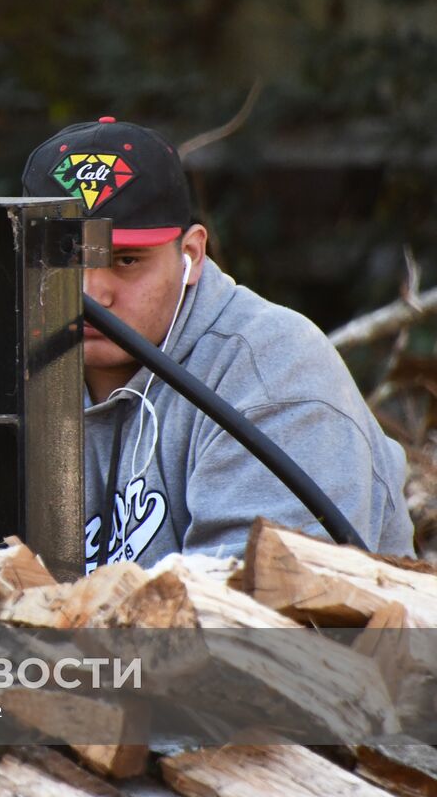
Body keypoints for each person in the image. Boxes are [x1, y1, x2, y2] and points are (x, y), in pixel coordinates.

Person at [22, 117, 414, 572]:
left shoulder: (272, 372)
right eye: (65, 258)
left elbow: (266, 610)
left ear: (191, 254)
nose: (93, 294)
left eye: (126, 260)